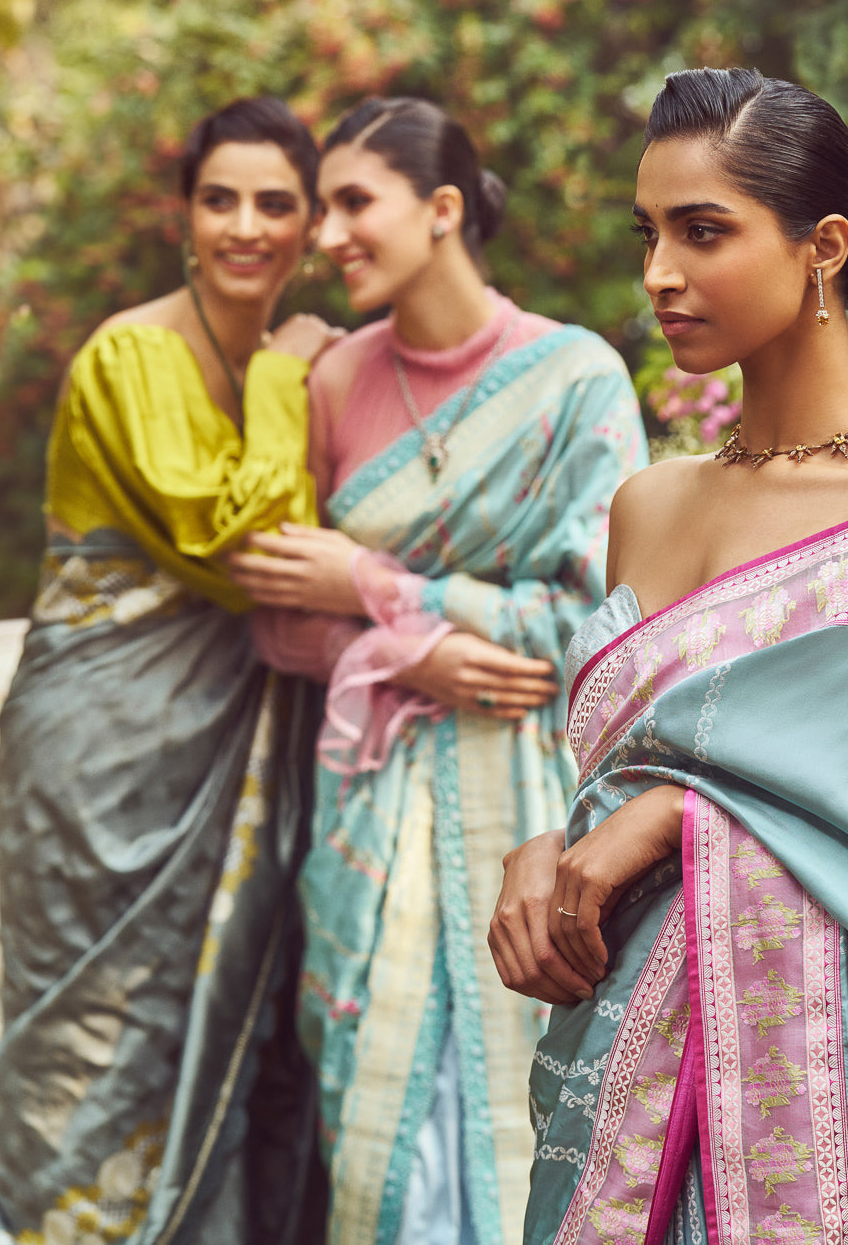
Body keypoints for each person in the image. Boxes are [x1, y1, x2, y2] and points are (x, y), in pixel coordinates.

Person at [488, 67, 848, 1244]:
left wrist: (674, 823)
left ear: (820, 245)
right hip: (618, 1068)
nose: (657, 275)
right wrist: (548, 851)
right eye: (646, 234)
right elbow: (616, 779)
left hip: (827, 1106)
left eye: (702, 232)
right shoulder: (646, 505)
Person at [228, 96, 648, 1245]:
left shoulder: (575, 383)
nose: (325, 236)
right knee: (379, 1121)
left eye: (352, 204)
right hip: (370, 808)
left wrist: (384, 591)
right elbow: (277, 621)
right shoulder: (325, 382)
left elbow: (593, 624)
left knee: (540, 1104)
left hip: (532, 803)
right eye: (321, 210)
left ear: (443, 209)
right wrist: (420, 652)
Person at [0, 97, 339, 1245]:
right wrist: (286, 376)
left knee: (230, 1025)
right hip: (103, 758)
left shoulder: (309, 359)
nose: (244, 226)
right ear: (184, 217)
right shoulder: (134, 353)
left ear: (309, 220)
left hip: (237, 731)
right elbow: (243, 551)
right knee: (94, 1045)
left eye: (273, 203)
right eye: (218, 199)